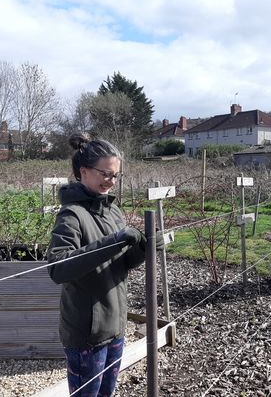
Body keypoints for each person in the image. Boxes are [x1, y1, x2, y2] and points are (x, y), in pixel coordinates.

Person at [47, 133, 162, 396]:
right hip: (87, 332)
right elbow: (58, 269)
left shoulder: (112, 211)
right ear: (83, 171)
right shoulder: (71, 216)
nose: (111, 181)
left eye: (115, 176)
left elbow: (118, 263)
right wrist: (113, 241)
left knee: (107, 393)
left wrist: (145, 249)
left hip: (115, 325)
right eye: (105, 174)